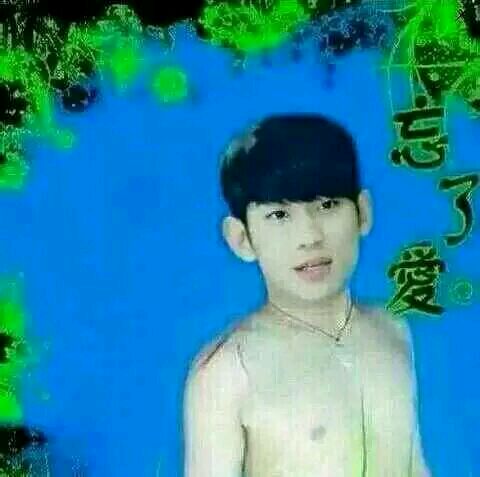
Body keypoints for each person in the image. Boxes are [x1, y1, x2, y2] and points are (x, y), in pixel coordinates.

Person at [182, 113, 431, 477]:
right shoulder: (227, 372)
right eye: (279, 215)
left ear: (362, 213)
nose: (310, 237)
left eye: (327, 205)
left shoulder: (393, 331)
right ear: (241, 238)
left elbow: (414, 466)